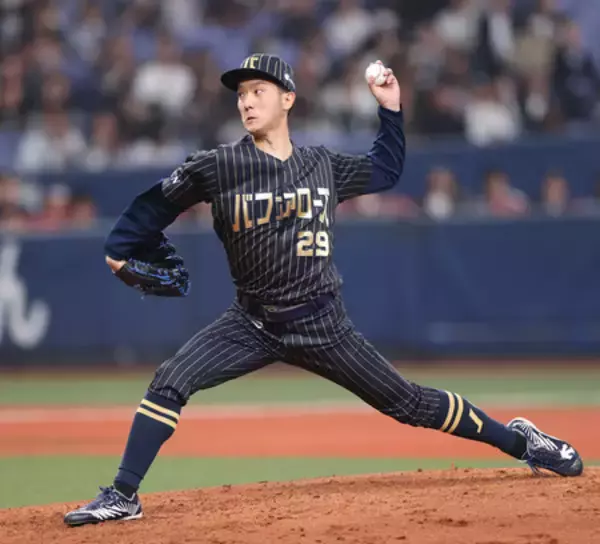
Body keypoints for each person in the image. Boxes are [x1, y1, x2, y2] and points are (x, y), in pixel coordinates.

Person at [64, 54, 583, 527]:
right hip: (251, 323)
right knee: (170, 379)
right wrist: (118, 250)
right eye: (241, 94)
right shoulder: (217, 166)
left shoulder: (323, 165)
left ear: (288, 98)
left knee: (410, 404)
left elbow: (385, 170)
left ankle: (521, 441)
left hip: (324, 324)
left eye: (258, 91)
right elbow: (153, 206)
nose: (246, 101)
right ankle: (123, 495)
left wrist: (391, 109)